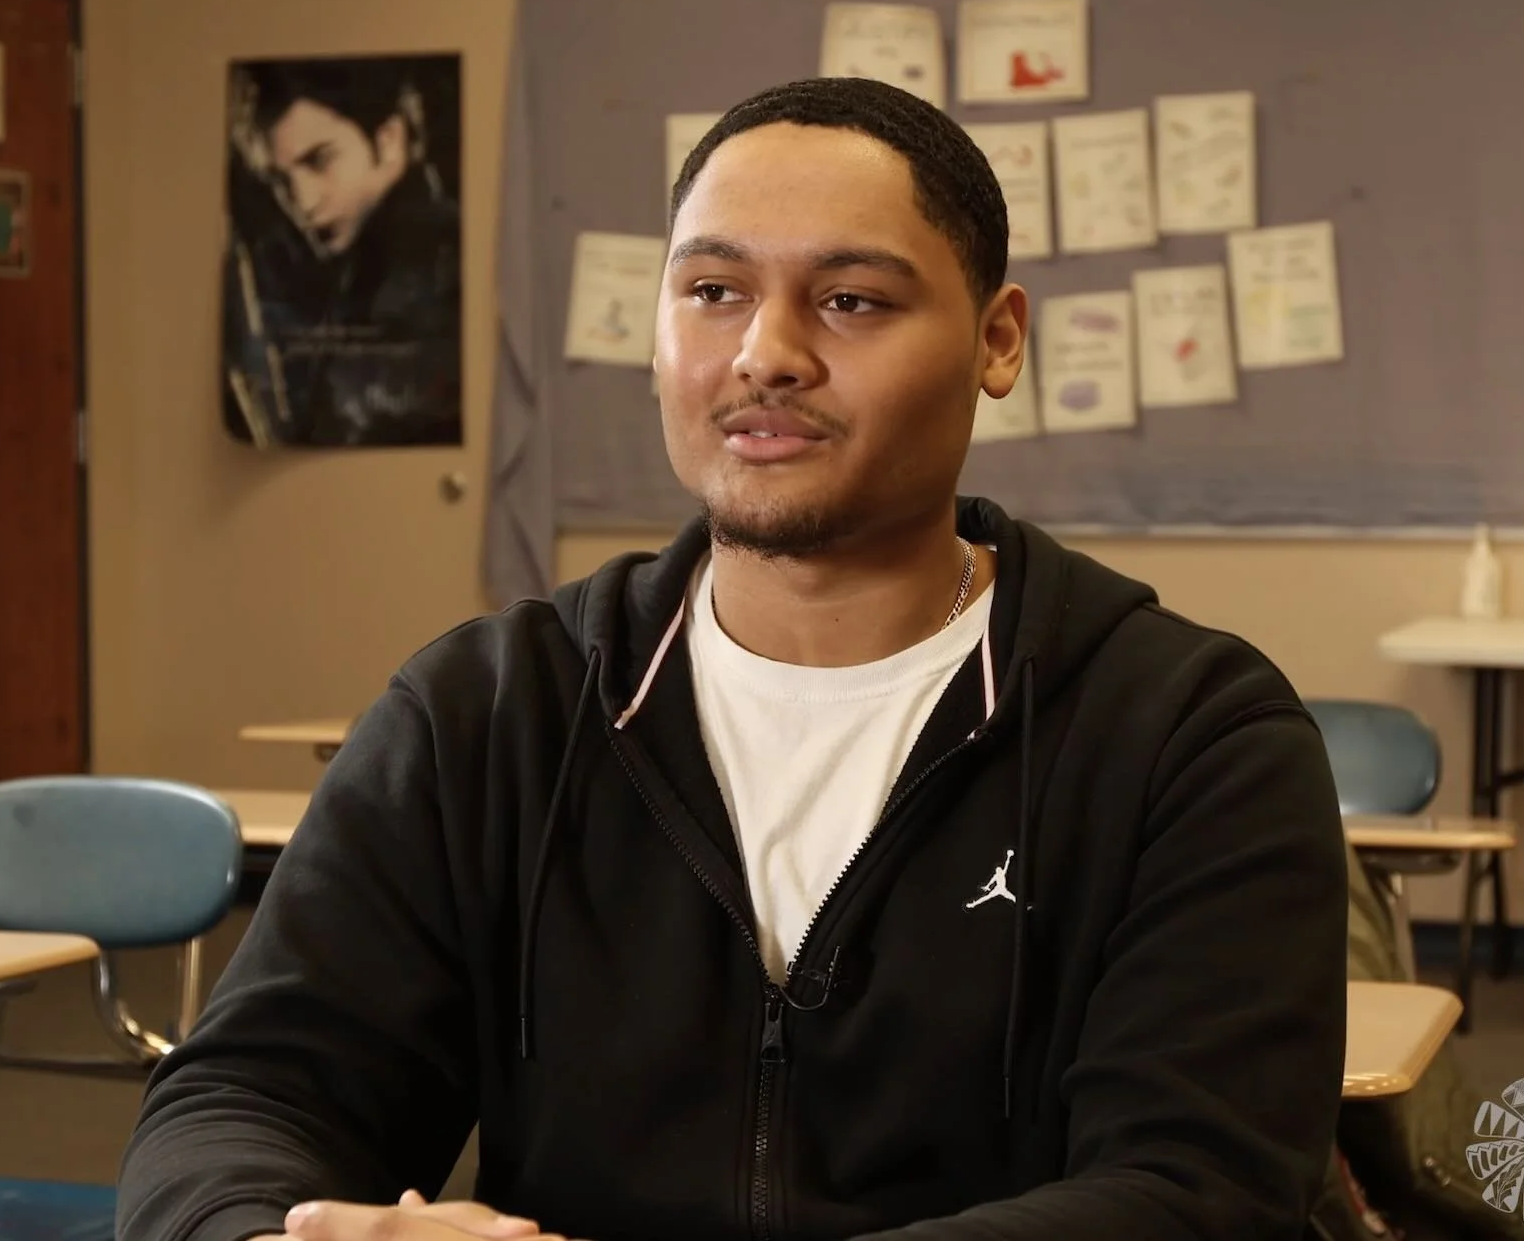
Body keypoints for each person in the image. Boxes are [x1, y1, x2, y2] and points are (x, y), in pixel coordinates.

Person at [123, 76, 1347, 1241]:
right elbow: (249, 1096)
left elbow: (1198, 1190)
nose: (766, 353)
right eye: (712, 291)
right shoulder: (490, 713)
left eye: (851, 301)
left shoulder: (1189, 735)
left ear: (997, 340)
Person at [222, 57, 463, 447]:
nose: (303, 201)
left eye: (319, 161)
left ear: (389, 142)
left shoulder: (433, 266)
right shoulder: (360, 261)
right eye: (283, 181)